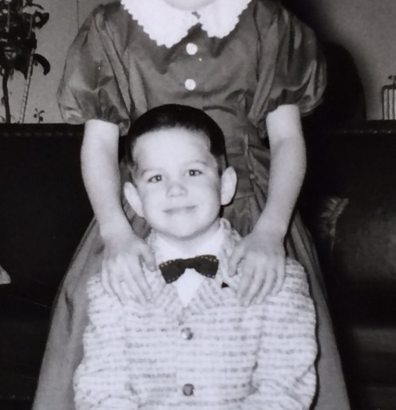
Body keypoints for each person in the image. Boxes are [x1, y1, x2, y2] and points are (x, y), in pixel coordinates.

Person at [32, 0, 349, 410]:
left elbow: (287, 140)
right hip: (142, 220)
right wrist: (117, 233)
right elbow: (98, 146)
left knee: (274, 362)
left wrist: (271, 231)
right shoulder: (112, 27)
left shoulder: (269, 25)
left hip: (251, 217)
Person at [73, 104, 318, 409]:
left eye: (192, 172)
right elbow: (101, 389)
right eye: (156, 178)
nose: (175, 189)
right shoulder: (113, 285)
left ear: (226, 186)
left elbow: (283, 391)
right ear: (134, 199)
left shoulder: (279, 280)